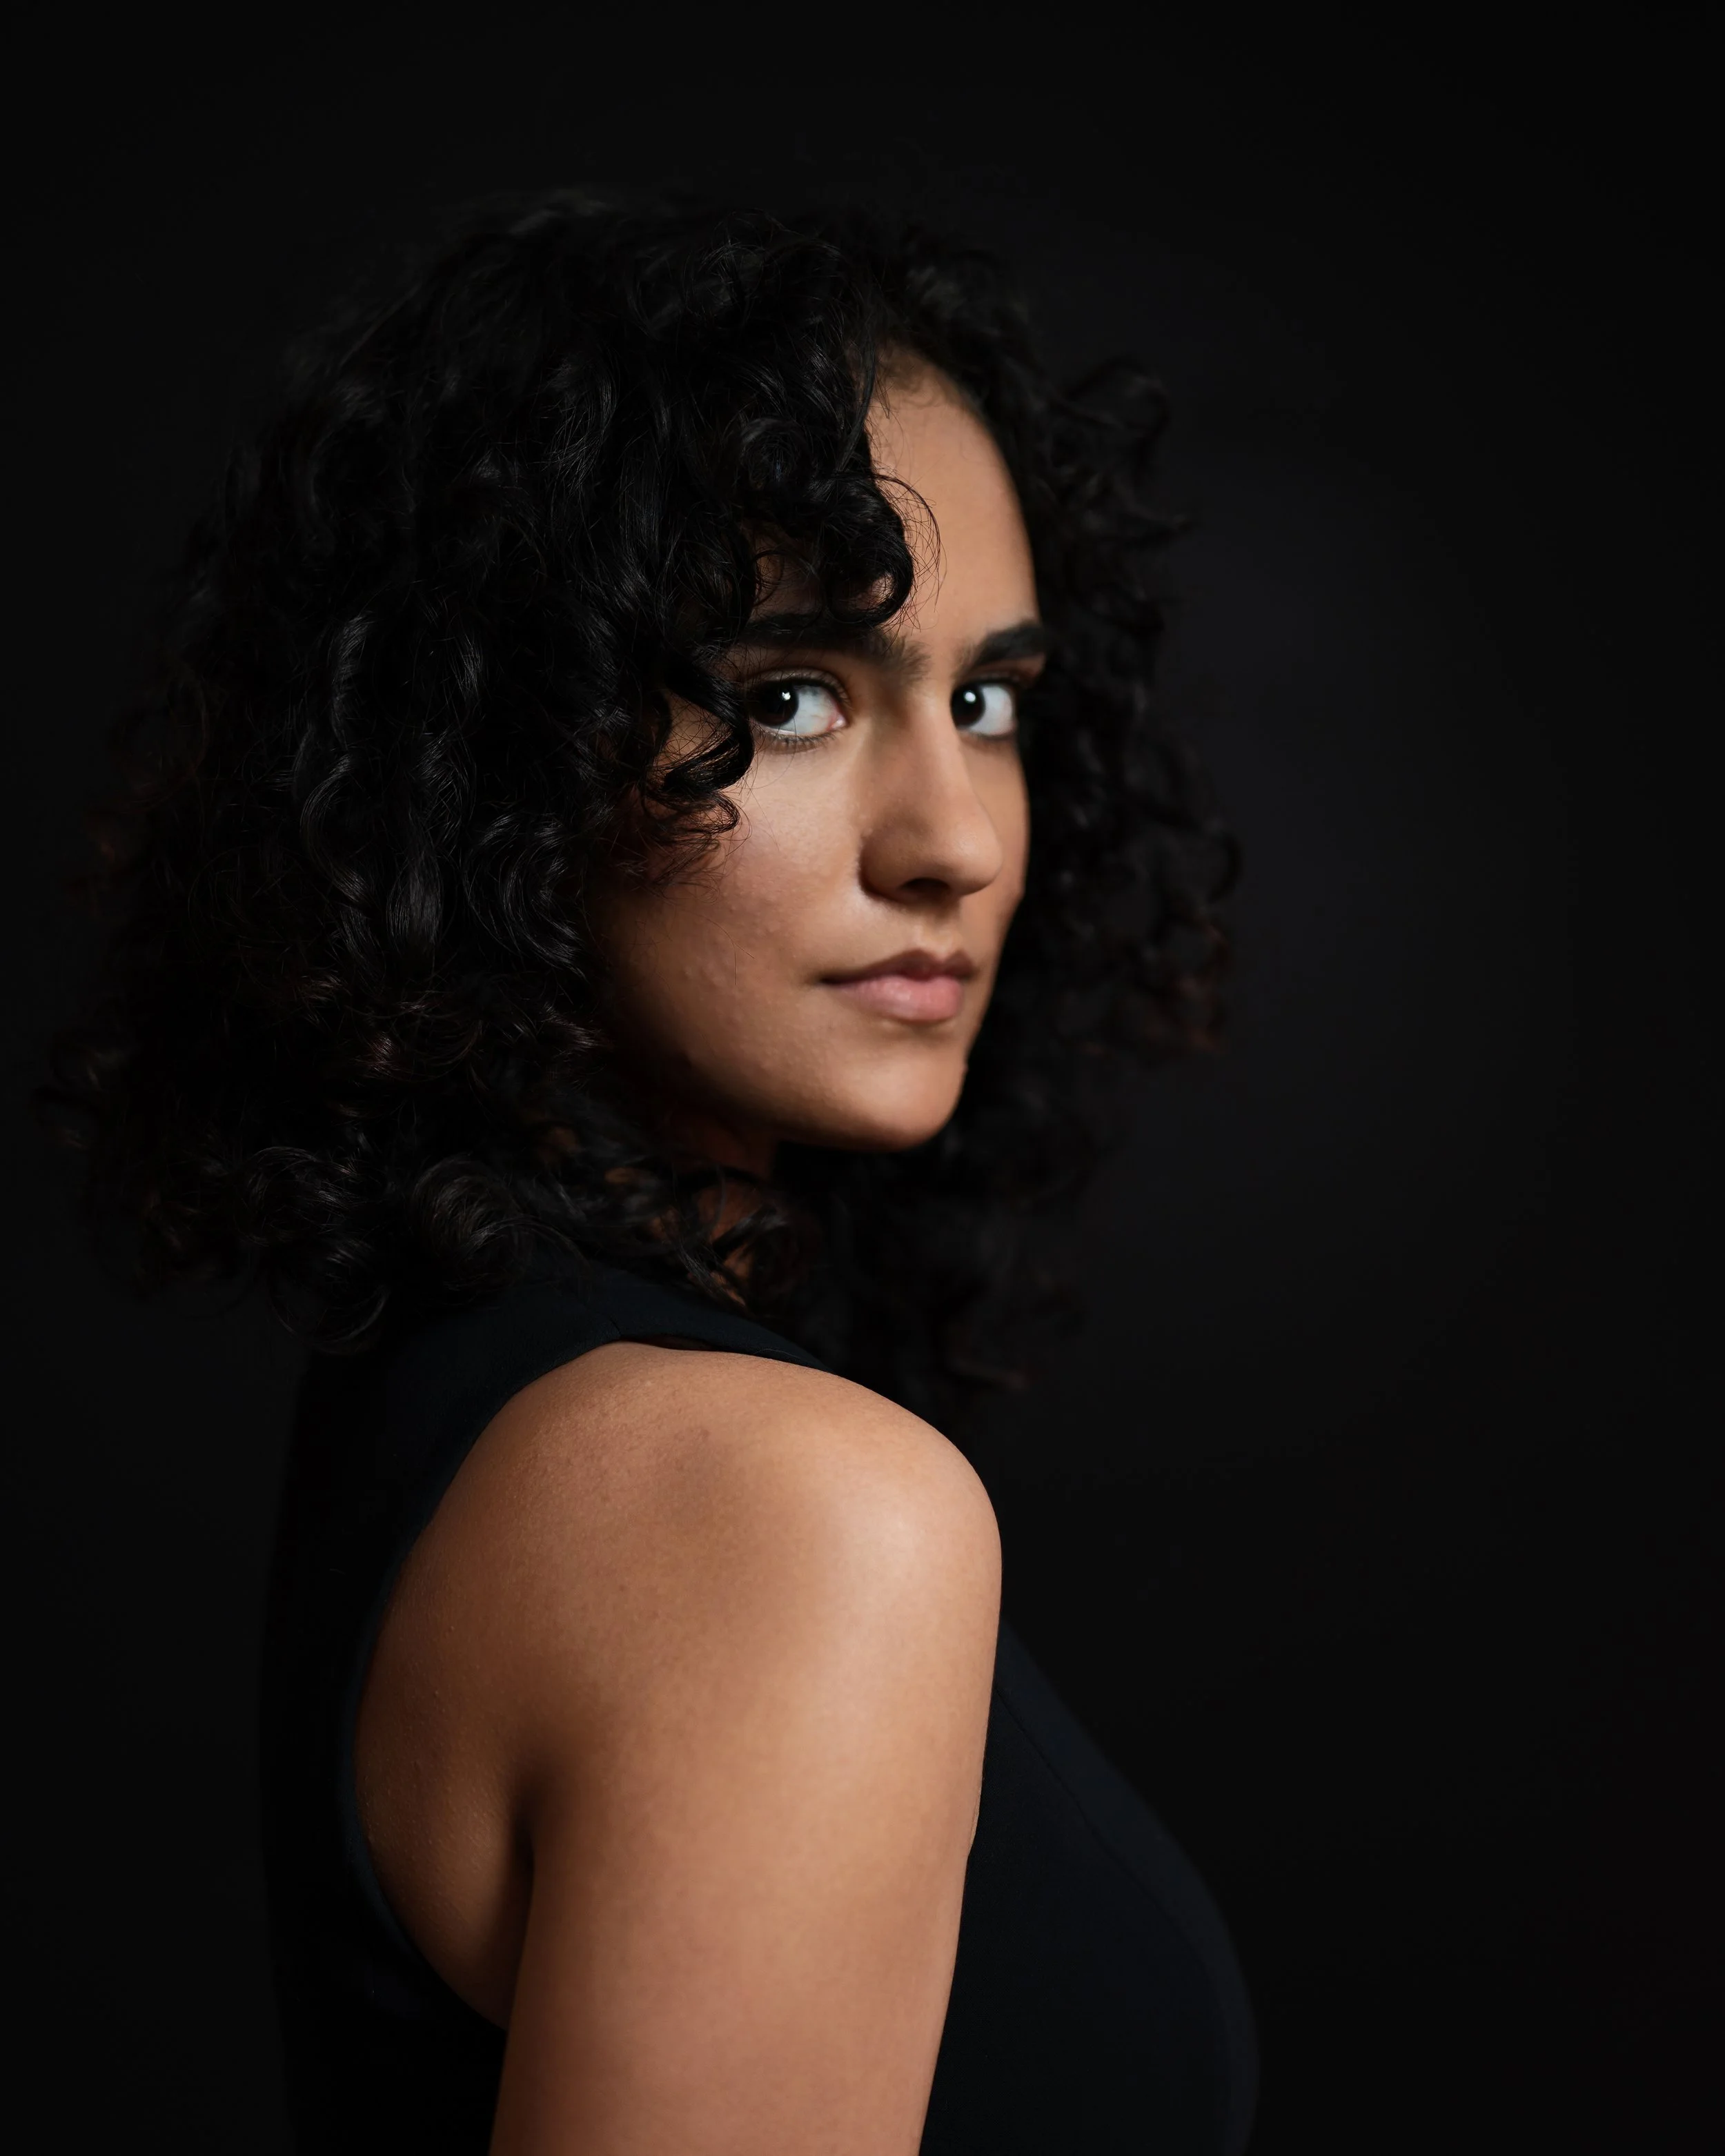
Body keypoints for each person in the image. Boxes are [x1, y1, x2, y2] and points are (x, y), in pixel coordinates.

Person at [52, 195, 1256, 2153]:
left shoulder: (472, 1407)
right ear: (496, 755)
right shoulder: (775, 1509)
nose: (952, 838)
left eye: (987, 702)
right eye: (789, 696)